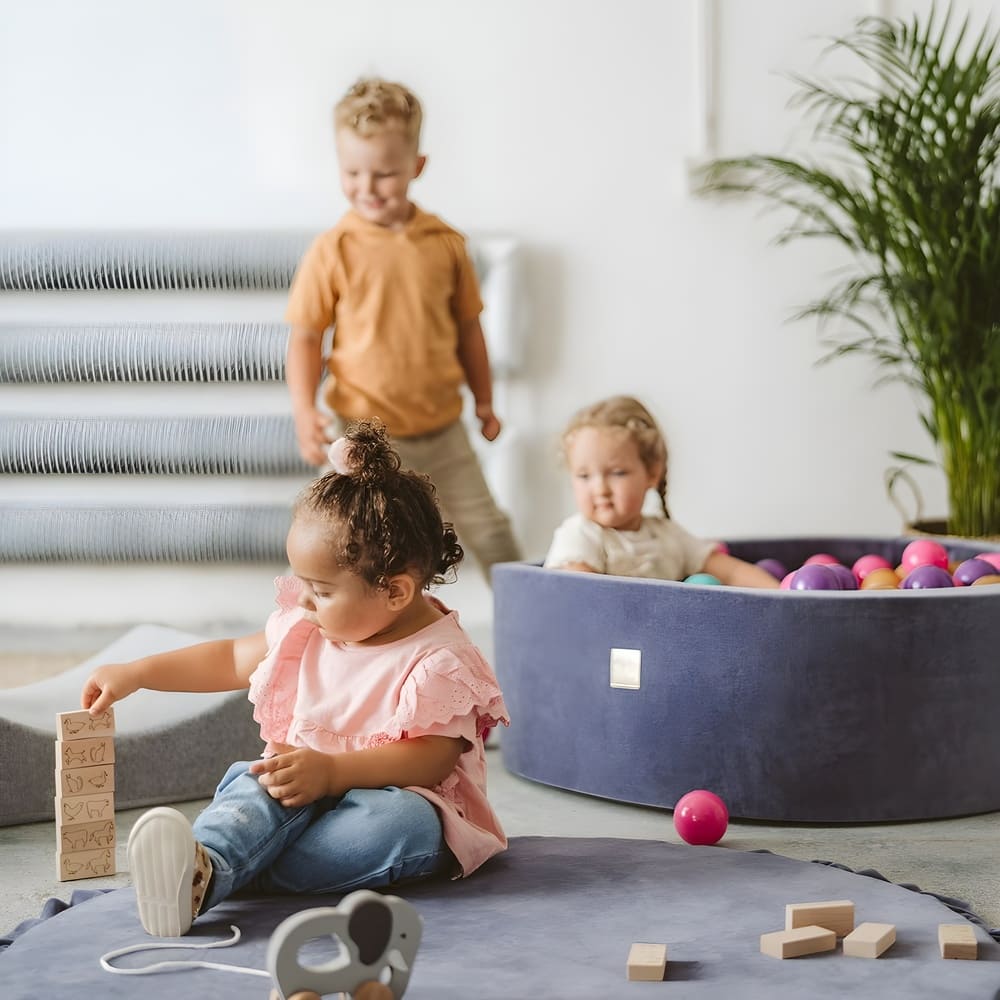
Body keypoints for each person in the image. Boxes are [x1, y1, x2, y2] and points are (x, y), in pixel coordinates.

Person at [81, 420, 510, 938]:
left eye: (321, 590)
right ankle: (206, 863)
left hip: (400, 801)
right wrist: (140, 672)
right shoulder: (307, 626)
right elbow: (230, 658)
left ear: (395, 591)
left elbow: (431, 757)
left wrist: (332, 773)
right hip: (305, 788)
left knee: (398, 827)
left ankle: (219, 875)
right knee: (255, 782)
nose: (302, 600)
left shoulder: (439, 660)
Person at [285, 76, 521, 578]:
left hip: (443, 432)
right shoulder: (334, 249)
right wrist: (305, 410)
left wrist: (484, 402)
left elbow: (469, 331)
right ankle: (347, 641)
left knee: (493, 534)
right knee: (353, 546)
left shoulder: (445, 244)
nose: (366, 188)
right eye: (352, 172)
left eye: (385, 174)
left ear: (416, 167)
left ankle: (538, 639)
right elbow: (306, 337)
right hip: (365, 436)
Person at [544, 396, 780, 587]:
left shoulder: (668, 536)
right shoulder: (580, 535)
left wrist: (781, 596)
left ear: (651, 474)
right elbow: (577, 596)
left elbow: (732, 573)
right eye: (584, 476)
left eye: (617, 473)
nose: (600, 489)